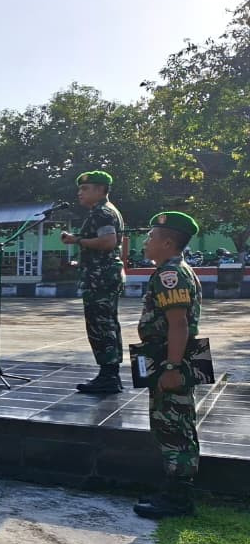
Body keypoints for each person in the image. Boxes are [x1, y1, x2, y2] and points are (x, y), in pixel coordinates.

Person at [132, 213, 204, 519]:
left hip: (170, 359)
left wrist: (172, 367)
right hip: (165, 357)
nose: (146, 242)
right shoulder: (171, 271)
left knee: (174, 428)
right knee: (173, 425)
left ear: (168, 242)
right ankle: (174, 491)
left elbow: (179, 324)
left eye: (151, 236)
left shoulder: (170, 275)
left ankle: (178, 499)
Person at [61, 170, 126, 394]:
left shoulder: (103, 212)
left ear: (100, 190)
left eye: (85, 188)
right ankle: (109, 374)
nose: (80, 192)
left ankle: (108, 376)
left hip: (101, 278)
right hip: (102, 274)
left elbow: (108, 242)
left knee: (101, 325)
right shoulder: (103, 212)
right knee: (106, 324)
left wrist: (76, 240)